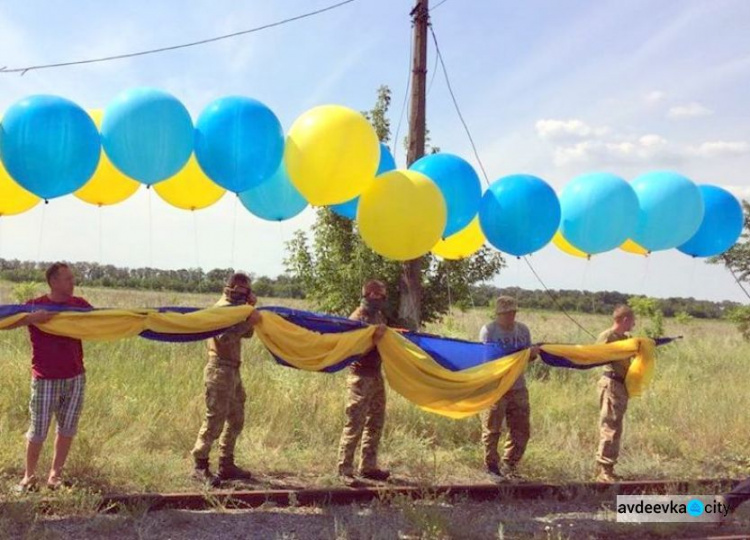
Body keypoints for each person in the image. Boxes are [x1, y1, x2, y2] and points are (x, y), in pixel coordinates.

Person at [3, 263, 92, 491]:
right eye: (68, 279)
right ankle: (29, 477)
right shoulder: (34, 306)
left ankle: (55, 477)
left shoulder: (79, 305)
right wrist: (31, 319)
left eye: (73, 278)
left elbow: (101, 321)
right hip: (45, 379)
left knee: (68, 428)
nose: (73, 283)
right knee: (38, 430)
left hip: (75, 377)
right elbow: (5, 322)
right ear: (53, 281)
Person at [190, 273, 262, 487]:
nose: (242, 291)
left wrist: (249, 312)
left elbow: (246, 335)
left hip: (232, 369)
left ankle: (226, 464)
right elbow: (224, 337)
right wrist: (248, 319)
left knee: (236, 418)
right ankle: (200, 466)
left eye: (245, 289)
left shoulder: (237, 308)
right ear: (229, 287)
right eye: (238, 288)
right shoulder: (222, 308)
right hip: (219, 368)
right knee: (215, 419)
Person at [479, 296, 539, 479]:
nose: (510, 316)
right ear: (498, 313)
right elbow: (487, 359)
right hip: (496, 386)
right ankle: (491, 466)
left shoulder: (523, 330)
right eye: (506, 313)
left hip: (518, 387)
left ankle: (510, 464)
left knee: (521, 429)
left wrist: (532, 354)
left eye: (513, 312)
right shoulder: (489, 330)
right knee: (492, 428)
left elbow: (528, 357)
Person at [337, 279, 389, 484]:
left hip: (376, 375)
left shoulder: (378, 316)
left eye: (381, 295)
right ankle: (344, 469)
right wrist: (373, 339)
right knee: (355, 422)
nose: (378, 298)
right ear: (366, 294)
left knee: (375, 421)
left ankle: (368, 466)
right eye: (374, 294)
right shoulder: (357, 317)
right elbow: (353, 348)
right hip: (359, 377)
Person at [595, 304, 636, 483]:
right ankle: (604, 470)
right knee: (610, 427)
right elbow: (594, 356)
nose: (633, 325)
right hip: (611, 384)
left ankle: (609, 468)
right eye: (632, 321)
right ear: (625, 320)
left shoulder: (626, 338)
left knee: (616, 426)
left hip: (621, 386)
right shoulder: (608, 336)